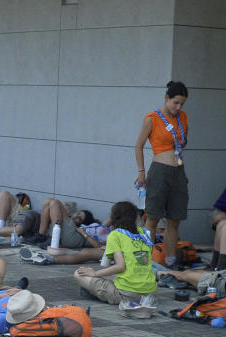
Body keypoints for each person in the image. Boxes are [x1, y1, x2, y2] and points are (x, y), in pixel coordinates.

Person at [134, 81, 189, 269]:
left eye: (182, 103)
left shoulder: (182, 117)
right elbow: (139, 145)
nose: (178, 107)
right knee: (152, 218)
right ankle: (143, 263)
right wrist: (141, 171)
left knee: (174, 219)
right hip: (160, 170)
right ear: (167, 98)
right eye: (175, 102)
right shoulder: (152, 118)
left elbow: (182, 141)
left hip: (179, 171)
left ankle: (170, 261)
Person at [74, 201, 156, 305]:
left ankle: (96, 292)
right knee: (111, 276)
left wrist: (94, 273)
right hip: (149, 292)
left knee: (78, 274)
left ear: (113, 218)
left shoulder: (116, 235)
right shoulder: (144, 232)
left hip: (127, 294)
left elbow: (120, 266)